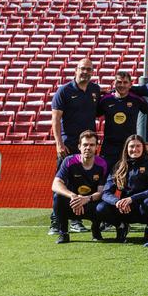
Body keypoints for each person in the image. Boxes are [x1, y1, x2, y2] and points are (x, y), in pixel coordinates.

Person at [49, 58, 101, 235]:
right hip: (69, 145)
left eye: (89, 69)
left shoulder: (95, 90)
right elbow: (56, 119)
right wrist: (59, 144)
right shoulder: (64, 91)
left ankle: (77, 220)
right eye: (82, 69)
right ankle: (56, 221)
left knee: (82, 182)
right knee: (64, 182)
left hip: (87, 145)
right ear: (76, 70)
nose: (85, 72)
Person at [95, 134, 148, 243]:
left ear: (144, 147)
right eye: (131, 146)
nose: (135, 149)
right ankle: (121, 226)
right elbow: (106, 192)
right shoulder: (119, 166)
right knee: (101, 208)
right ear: (126, 149)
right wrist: (117, 202)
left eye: (138, 146)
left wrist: (132, 199)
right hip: (124, 208)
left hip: (142, 207)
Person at [51, 130, 108, 243]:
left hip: (91, 203)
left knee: (104, 206)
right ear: (79, 147)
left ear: (96, 147)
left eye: (91, 145)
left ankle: (96, 229)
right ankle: (63, 233)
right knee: (58, 197)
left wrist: (86, 199)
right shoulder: (69, 161)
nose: (88, 147)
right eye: (85, 145)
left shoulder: (102, 164)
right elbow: (55, 184)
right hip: (73, 203)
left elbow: (101, 192)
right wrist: (73, 196)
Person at [96, 70, 148, 166]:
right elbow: (93, 114)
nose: (122, 85)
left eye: (125, 82)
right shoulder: (106, 100)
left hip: (129, 145)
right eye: (119, 82)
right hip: (109, 145)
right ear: (114, 83)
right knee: (107, 174)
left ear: (130, 84)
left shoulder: (137, 100)